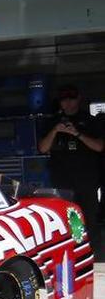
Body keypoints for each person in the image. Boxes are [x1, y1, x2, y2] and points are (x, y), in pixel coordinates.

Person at [38, 85, 103, 246]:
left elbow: (99, 147)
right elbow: (43, 148)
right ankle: (75, 248)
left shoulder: (90, 120)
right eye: (64, 99)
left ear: (78, 99)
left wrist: (77, 133)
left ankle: (92, 250)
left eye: (71, 98)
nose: (68, 102)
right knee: (68, 218)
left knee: (89, 217)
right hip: (63, 181)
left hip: (86, 180)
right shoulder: (52, 122)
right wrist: (55, 130)